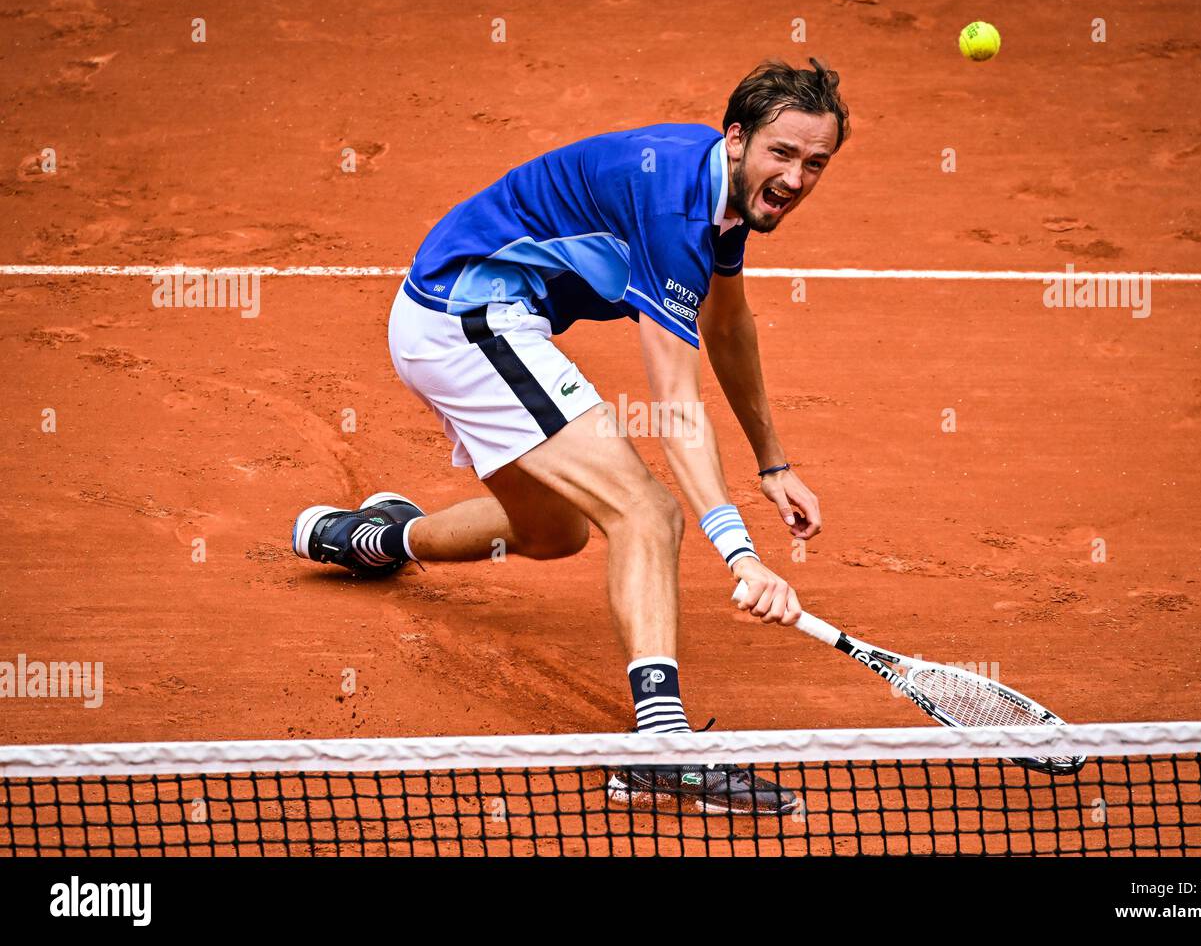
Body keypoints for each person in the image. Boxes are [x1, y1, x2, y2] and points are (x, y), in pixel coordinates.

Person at [293, 59, 850, 814]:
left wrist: (772, 462)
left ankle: (377, 539)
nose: (796, 178)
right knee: (647, 514)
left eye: (816, 162)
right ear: (737, 139)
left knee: (553, 532)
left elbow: (728, 323)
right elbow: (677, 404)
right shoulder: (673, 208)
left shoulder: (716, 191)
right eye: (782, 155)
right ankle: (661, 751)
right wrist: (741, 554)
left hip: (468, 317)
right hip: (467, 316)